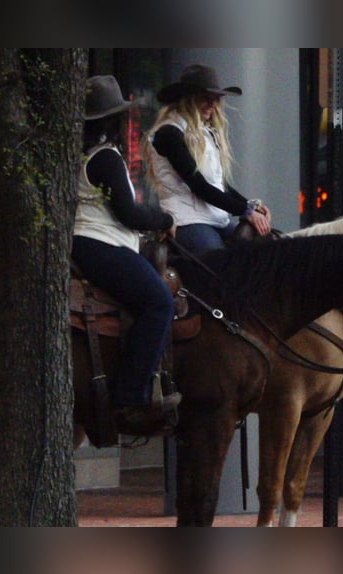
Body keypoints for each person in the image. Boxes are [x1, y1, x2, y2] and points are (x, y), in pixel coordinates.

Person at [72, 75, 181, 425]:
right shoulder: (105, 158)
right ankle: (131, 397)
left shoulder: (80, 155)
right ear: (114, 118)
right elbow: (129, 214)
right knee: (159, 303)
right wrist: (164, 220)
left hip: (87, 242)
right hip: (100, 243)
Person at [143, 64, 272, 255]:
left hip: (216, 219)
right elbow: (198, 185)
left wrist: (252, 206)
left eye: (216, 99)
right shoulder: (169, 133)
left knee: (261, 255)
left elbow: (219, 186)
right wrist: (246, 211)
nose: (212, 105)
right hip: (187, 221)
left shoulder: (205, 133)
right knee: (220, 270)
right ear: (187, 100)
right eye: (205, 98)